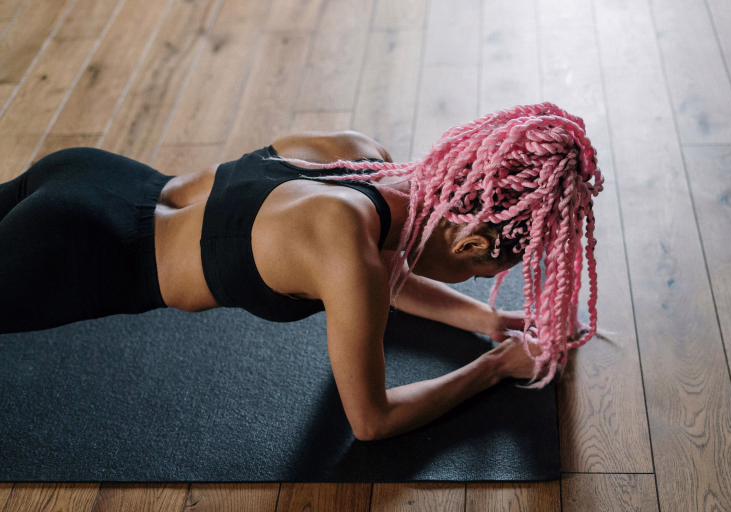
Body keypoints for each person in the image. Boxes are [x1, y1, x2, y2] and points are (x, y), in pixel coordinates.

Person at [0, 102, 604, 440]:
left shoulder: (360, 158)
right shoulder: (348, 256)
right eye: (479, 275)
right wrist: (493, 368)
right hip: (74, 252)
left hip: (93, 177)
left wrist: (489, 318)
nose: (470, 280)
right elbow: (372, 420)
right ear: (473, 244)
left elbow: (383, 272)